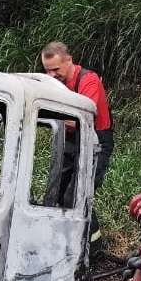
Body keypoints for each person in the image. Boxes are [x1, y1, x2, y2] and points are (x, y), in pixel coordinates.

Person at [41, 42, 114, 190]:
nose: (51, 75)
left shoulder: (88, 80)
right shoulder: (53, 82)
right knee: (56, 189)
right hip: (70, 137)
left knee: (78, 194)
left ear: (69, 61)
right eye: (47, 71)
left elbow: (83, 121)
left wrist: (46, 115)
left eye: (55, 69)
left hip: (95, 139)